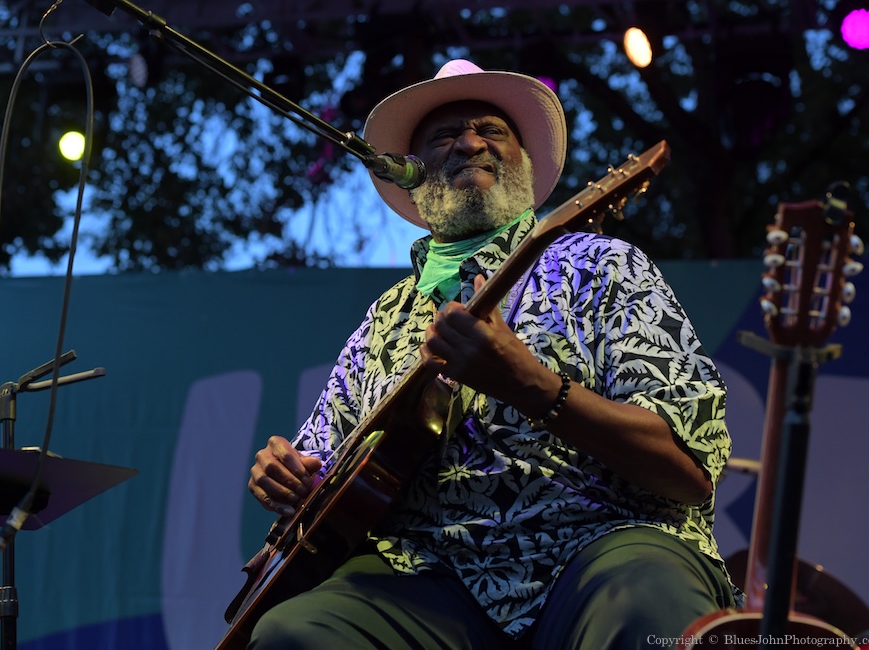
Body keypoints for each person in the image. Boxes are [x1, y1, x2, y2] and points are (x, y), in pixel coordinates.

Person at [246, 59, 739, 649]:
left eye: (491, 129)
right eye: (445, 136)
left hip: (602, 546)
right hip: (424, 578)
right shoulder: (387, 317)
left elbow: (688, 467)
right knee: (293, 633)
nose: (471, 142)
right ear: (413, 173)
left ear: (526, 166)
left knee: (646, 597)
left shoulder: (604, 267)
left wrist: (530, 384)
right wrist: (289, 476)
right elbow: (323, 469)